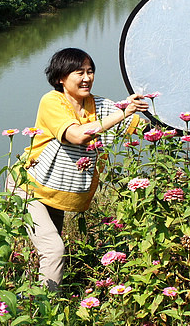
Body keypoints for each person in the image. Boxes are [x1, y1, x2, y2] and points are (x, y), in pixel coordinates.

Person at [10, 48, 149, 291]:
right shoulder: (52, 101)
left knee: (47, 250)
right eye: (79, 72)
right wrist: (122, 114)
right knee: (54, 249)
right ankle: (45, 313)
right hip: (30, 187)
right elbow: (77, 136)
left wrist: (178, 125)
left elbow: (143, 126)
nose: (87, 78)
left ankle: (28, 298)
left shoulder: (102, 106)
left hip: (57, 190)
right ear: (60, 78)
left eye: (90, 71)